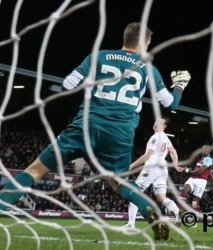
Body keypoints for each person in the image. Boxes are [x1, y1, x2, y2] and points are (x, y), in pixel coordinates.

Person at [0, 22, 191, 240]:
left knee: (35, 170)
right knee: (118, 182)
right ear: (147, 43)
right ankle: (147, 205)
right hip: (120, 133)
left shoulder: (98, 56)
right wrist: (179, 87)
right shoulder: (149, 69)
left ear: (125, 38)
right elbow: (170, 104)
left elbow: (67, 85)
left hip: (85, 126)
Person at [125, 117, 183, 228]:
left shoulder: (156, 137)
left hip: (152, 167)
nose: (156, 123)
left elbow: (147, 155)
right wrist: (175, 165)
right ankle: (177, 212)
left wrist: (132, 165)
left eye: (160, 123)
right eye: (156, 121)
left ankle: (131, 224)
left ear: (164, 127)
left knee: (134, 193)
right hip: (163, 168)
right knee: (161, 198)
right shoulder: (165, 138)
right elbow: (173, 151)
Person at [178, 145, 213, 227]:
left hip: (201, 181)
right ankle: (179, 214)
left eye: (206, 150)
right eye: (203, 150)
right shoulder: (201, 160)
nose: (204, 151)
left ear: (209, 151)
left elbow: (200, 172)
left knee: (195, 201)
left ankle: (193, 220)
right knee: (184, 191)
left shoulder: (209, 159)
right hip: (192, 179)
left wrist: (187, 170)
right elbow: (210, 173)